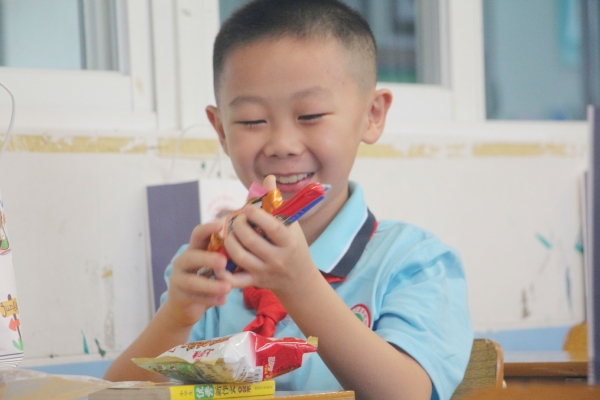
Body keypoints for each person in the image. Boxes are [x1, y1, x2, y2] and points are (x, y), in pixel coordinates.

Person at [104, 1, 473, 399]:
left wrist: (300, 286)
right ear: (221, 130)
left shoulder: (415, 262)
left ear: (372, 114)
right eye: (252, 121)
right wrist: (176, 315)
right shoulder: (209, 270)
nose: (282, 144)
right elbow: (114, 396)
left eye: (310, 115)